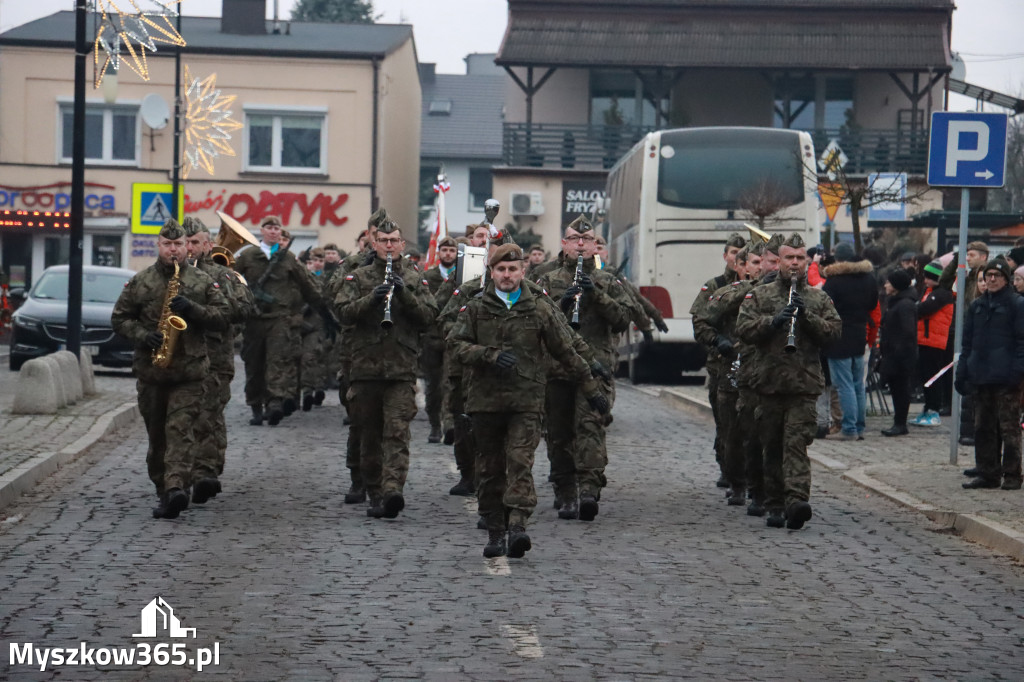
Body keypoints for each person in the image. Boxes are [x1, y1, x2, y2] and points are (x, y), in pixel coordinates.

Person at [449, 243, 607, 558]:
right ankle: (496, 530)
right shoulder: (477, 307)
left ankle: (518, 524)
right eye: (501, 270)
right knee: (491, 468)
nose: (507, 275)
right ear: (491, 273)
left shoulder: (539, 308)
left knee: (520, 462)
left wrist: (591, 389)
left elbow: (566, 351)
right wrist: (488, 355)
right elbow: (455, 345)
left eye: (512, 269)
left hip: (527, 402)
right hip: (486, 403)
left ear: (523, 271)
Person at [111, 220, 229, 519]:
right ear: (159, 245)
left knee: (180, 431)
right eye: (168, 245)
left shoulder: (202, 281)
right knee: (157, 437)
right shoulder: (141, 281)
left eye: (179, 245)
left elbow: (224, 316)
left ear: (186, 247)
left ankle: (176, 488)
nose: (174, 250)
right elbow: (120, 318)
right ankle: (163, 489)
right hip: (152, 372)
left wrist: (193, 310)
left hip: (189, 373)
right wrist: (143, 335)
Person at [736, 233, 842, 529]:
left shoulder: (818, 297)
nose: (794, 263)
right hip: (767, 383)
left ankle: (796, 500)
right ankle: (774, 503)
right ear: (778, 261)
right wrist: (773, 322)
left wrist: (807, 317)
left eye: (799, 258)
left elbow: (834, 333)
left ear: (806, 261)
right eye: (789, 258)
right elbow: (743, 328)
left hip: (803, 385)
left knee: (795, 444)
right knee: (771, 445)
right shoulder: (760, 295)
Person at [335, 219, 439, 518]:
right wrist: (372, 298)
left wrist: (403, 293)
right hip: (365, 368)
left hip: (400, 369)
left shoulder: (414, 277)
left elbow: (429, 316)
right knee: (369, 435)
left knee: (396, 432)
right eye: (384, 240)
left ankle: (393, 489)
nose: (389, 245)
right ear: (374, 243)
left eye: (394, 240)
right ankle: (375, 492)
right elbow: (342, 312)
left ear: (402, 244)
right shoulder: (357, 277)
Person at [537, 215, 630, 520]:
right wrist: (562, 304)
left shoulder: (607, 281)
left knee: (591, 426)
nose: (580, 244)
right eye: (574, 239)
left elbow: (622, 320)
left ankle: (589, 489)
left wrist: (596, 295)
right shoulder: (547, 281)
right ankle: (565, 490)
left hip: (596, 368)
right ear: (563, 244)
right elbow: (534, 323)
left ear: (595, 246)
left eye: (586, 239)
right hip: (558, 368)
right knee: (559, 433)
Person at [181, 217, 254, 503]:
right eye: (184, 243)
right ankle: (181, 473)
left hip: (215, 358)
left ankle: (205, 472)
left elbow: (246, 307)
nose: (188, 248)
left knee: (208, 415)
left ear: (208, 245)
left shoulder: (224, 275)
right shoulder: (168, 272)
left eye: (195, 242)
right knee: (182, 418)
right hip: (180, 357)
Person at [235, 216, 325, 426]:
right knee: (255, 364)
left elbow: (307, 284)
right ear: (262, 230)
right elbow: (234, 280)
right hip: (254, 320)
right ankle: (256, 406)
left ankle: (274, 403)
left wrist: (322, 304)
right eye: (269, 228)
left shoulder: (289, 258)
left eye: (277, 228)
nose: (274, 231)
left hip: (279, 319)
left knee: (278, 361)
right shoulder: (248, 256)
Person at [957, 257, 1024, 491]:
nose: (992, 279)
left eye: (997, 275)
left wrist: (1017, 371)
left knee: (1009, 429)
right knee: (983, 428)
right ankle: (988, 473)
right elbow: (967, 343)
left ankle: (1013, 474)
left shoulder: (1017, 304)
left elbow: (1021, 342)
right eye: (988, 275)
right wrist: (963, 369)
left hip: (1007, 377)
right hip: (981, 376)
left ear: (1006, 278)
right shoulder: (976, 306)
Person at [690, 233, 746, 487]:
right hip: (721, 365)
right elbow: (700, 322)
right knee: (725, 422)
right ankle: (727, 466)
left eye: (742, 253)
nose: (738, 257)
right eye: (734, 253)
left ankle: (745, 473)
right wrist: (717, 341)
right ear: (726, 256)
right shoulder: (715, 286)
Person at [822, 242, 879, 440]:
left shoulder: (834, 281)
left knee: (844, 385)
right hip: (859, 335)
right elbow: (873, 304)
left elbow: (824, 307)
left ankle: (849, 428)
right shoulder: (868, 279)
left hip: (838, 338)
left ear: (837, 258)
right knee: (858, 384)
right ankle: (860, 426)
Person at [421, 236, 458, 443]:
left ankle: (449, 423)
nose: (448, 254)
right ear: (439, 253)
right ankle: (435, 424)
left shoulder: (463, 276)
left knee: (448, 383)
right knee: (433, 386)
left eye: (452, 251)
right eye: (444, 250)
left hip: (452, 337)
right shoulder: (428, 276)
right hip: (432, 338)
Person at [911, 259, 954, 427]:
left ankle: (933, 410)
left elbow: (923, 309)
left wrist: (916, 308)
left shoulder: (942, 294)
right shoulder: (929, 291)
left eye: (929, 277)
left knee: (932, 378)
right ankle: (928, 408)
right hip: (925, 339)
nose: (926, 280)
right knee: (925, 377)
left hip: (934, 342)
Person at [878, 269, 918, 436]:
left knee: (901, 389)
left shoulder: (904, 305)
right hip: (893, 353)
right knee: (896, 389)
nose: (886, 285)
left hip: (900, 356)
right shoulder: (896, 301)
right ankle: (898, 422)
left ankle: (900, 423)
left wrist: (897, 351)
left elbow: (908, 332)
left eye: (889, 282)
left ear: (896, 286)